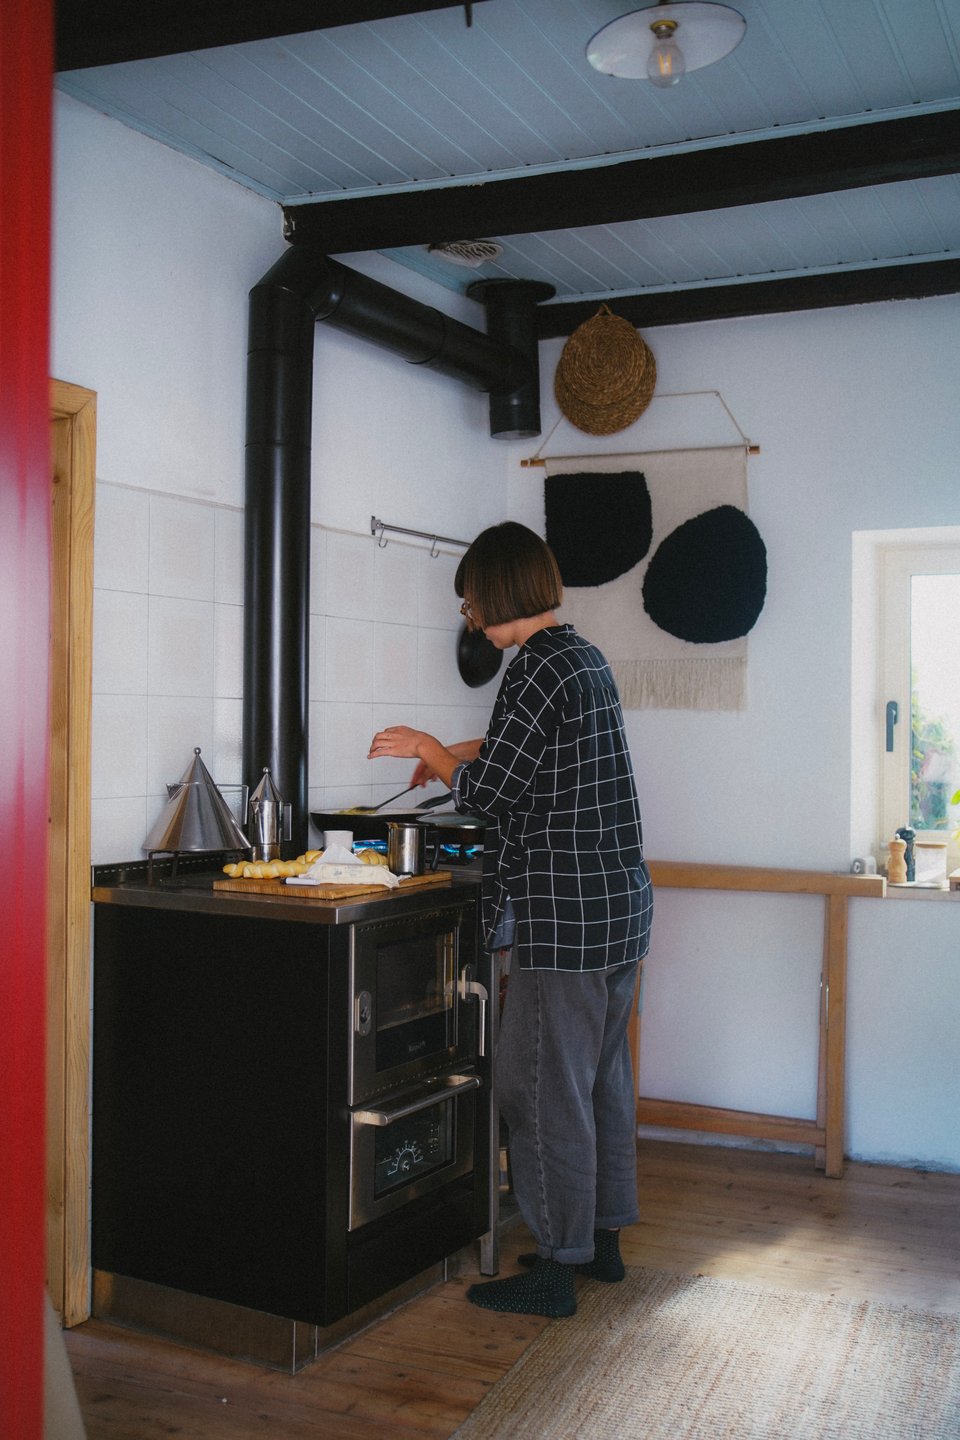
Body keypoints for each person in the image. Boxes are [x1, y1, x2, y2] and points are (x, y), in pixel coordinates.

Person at [368, 521, 653, 1319]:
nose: (466, 613)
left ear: (496, 592)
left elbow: (491, 791)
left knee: (538, 1090)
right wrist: (452, 749)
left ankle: (555, 1270)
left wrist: (431, 742)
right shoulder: (580, 658)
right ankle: (601, 1245)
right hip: (618, 910)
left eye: (468, 599)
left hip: (563, 918)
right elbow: (525, 754)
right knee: (600, 1081)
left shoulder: (532, 667)